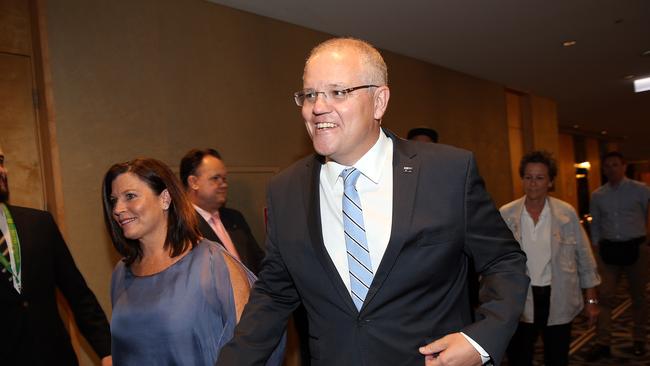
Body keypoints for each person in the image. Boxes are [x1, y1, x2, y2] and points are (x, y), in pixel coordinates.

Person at [217, 37, 529, 366]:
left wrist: (481, 339)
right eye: (310, 94)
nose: (317, 106)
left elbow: (504, 262)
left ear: (379, 101)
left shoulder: (447, 172)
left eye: (338, 92)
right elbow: (275, 293)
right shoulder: (285, 190)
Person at [102, 158, 283, 365]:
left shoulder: (213, 264)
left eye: (130, 196)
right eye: (113, 199)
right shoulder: (121, 273)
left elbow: (252, 346)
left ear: (165, 198)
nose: (117, 209)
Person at [0, 143, 111, 365]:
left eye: (1, 162)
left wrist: (107, 351)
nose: (3, 170)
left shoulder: (39, 223)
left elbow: (79, 295)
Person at [499, 151, 601, 366]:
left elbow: (584, 255)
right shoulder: (507, 214)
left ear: (550, 181)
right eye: (528, 177)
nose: (533, 184)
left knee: (556, 356)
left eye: (539, 178)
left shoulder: (566, 213)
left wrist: (591, 299)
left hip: (558, 294)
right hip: (520, 297)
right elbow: (496, 260)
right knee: (519, 355)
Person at [586, 151, 650, 359]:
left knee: (639, 297)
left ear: (624, 166)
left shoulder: (641, 190)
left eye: (615, 165)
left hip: (636, 249)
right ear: (603, 170)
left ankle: (639, 339)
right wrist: (595, 250)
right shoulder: (597, 195)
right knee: (605, 297)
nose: (611, 169)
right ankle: (603, 342)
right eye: (607, 166)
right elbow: (595, 224)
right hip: (608, 251)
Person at [180, 148, 265, 274]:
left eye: (224, 179)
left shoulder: (235, 218)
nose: (224, 184)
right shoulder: (180, 225)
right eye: (216, 178)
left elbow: (259, 262)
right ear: (193, 182)